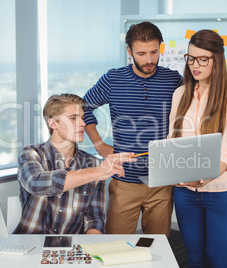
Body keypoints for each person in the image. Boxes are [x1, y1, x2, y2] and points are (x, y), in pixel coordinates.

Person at [83, 21, 183, 236]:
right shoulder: (113, 79)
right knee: (115, 247)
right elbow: (82, 108)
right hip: (124, 181)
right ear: (129, 51)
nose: (149, 60)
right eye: (142, 53)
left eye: (154, 52)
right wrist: (99, 145)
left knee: (158, 246)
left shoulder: (173, 80)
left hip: (162, 181)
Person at [168, 30, 227, 267]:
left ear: (217, 60)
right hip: (185, 193)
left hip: (223, 193)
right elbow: (173, 138)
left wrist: (208, 174)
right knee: (194, 259)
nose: (195, 65)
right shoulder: (180, 93)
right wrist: (174, 171)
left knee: (218, 261)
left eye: (203, 59)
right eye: (191, 58)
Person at [14, 93, 136, 234]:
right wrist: (98, 172)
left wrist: (90, 250)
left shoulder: (94, 164)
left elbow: (95, 219)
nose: (83, 123)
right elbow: (36, 183)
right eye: (73, 118)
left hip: (72, 249)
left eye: (82, 118)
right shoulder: (31, 154)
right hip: (30, 247)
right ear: (53, 123)